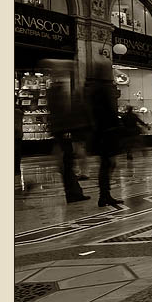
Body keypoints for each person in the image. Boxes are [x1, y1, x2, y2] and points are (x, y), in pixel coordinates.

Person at [45, 61, 89, 203]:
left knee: (68, 164)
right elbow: (60, 114)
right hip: (63, 133)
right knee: (66, 163)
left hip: (64, 132)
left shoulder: (59, 89)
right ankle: (73, 193)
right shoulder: (56, 90)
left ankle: (74, 192)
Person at [87, 62, 124, 207]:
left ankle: (105, 194)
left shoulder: (94, 89)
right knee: (108, 164)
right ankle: (104, 195)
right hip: (105, 134)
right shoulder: (102, 89)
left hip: (101, 133)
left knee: (107, 164)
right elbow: (107, 113)